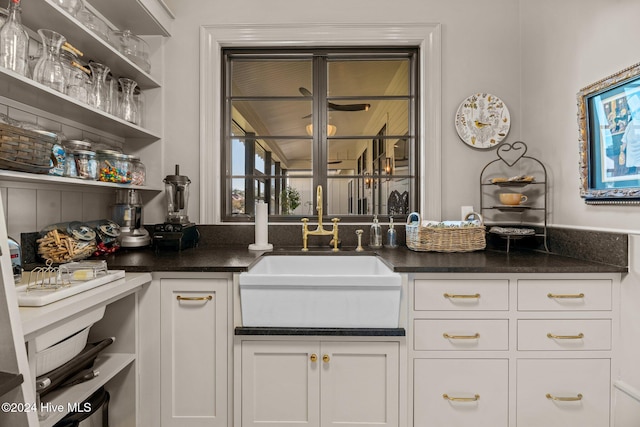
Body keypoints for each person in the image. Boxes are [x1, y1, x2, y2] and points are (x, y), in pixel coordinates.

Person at [620, 94, 640, 174]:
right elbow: (624, 140)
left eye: (638, 110)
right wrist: (621, 152)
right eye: (634, 112)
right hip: (631, 160)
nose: (636, 113)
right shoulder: (630, 124)